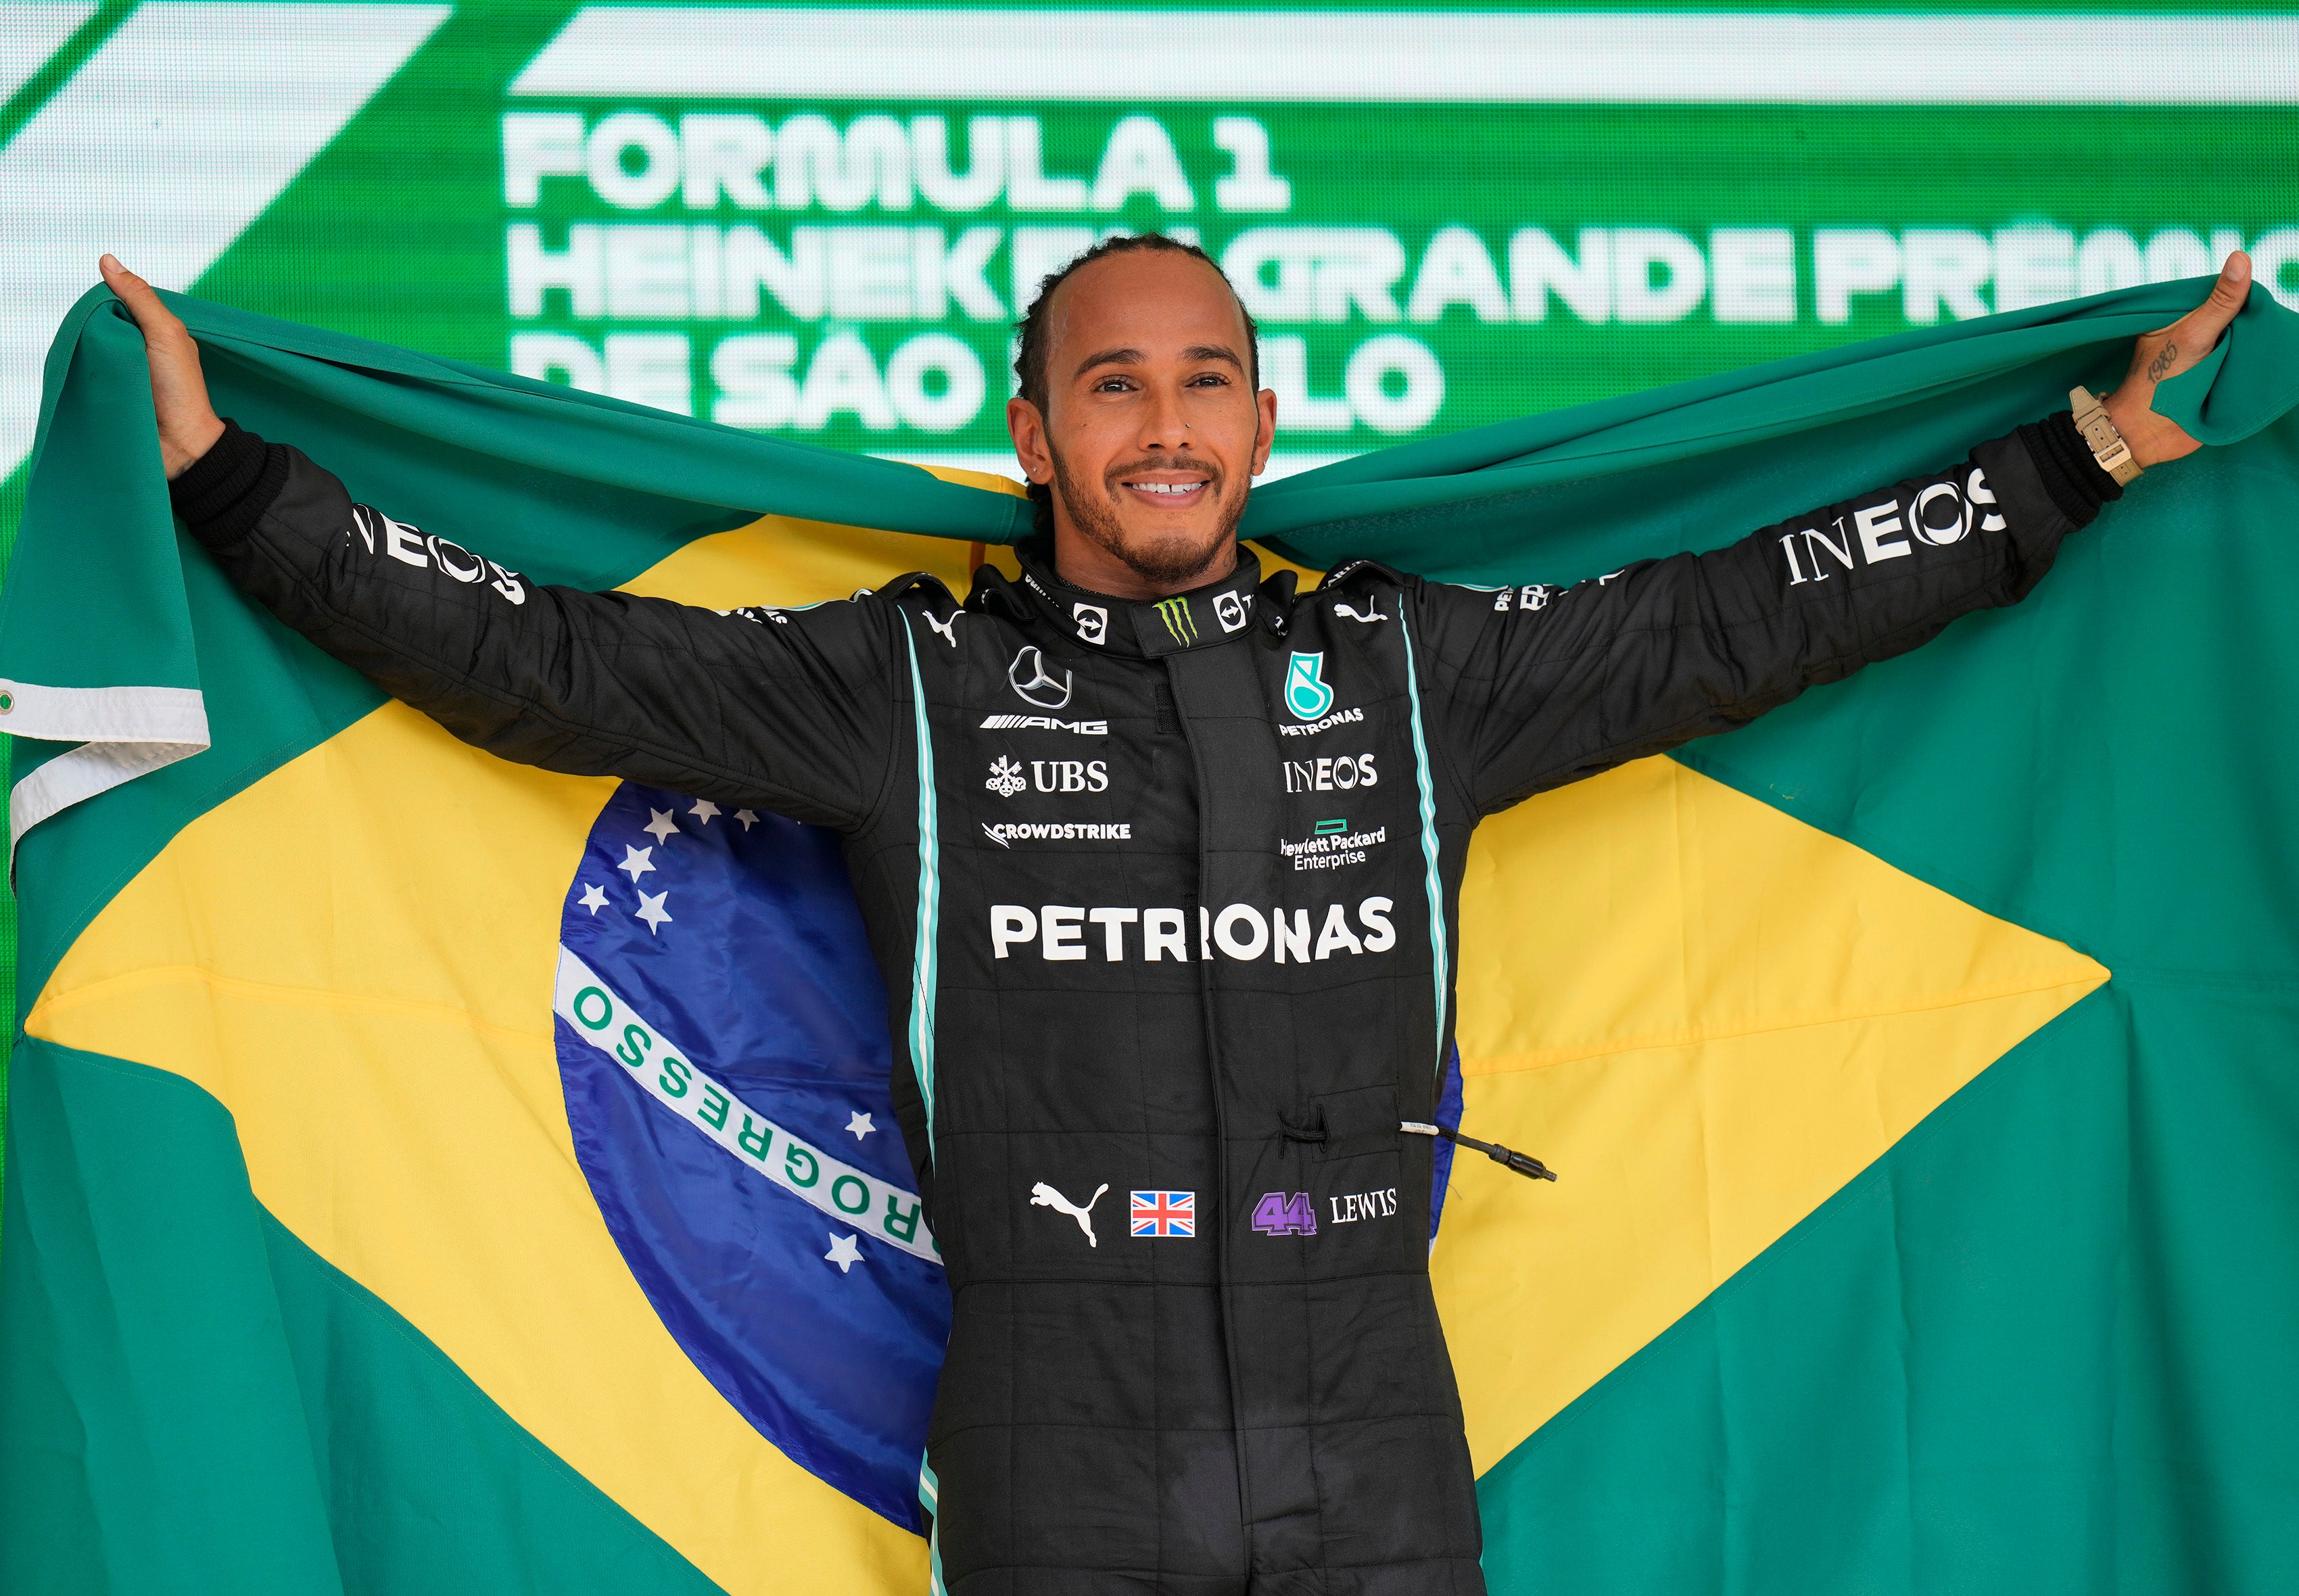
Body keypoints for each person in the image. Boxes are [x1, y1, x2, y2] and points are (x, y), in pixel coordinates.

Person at [99, 239, 2249, 1595]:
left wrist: (2076, 456)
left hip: (1377, 1432)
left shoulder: (1409, 671)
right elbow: (552, 659)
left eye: (1204, 379)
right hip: (1051, 1442)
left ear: (1263, 421)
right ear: (1031, 434)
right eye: (1113, 386)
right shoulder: (905, 687)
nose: (1164, 424)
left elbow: (1751, 609)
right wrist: (225, 479)